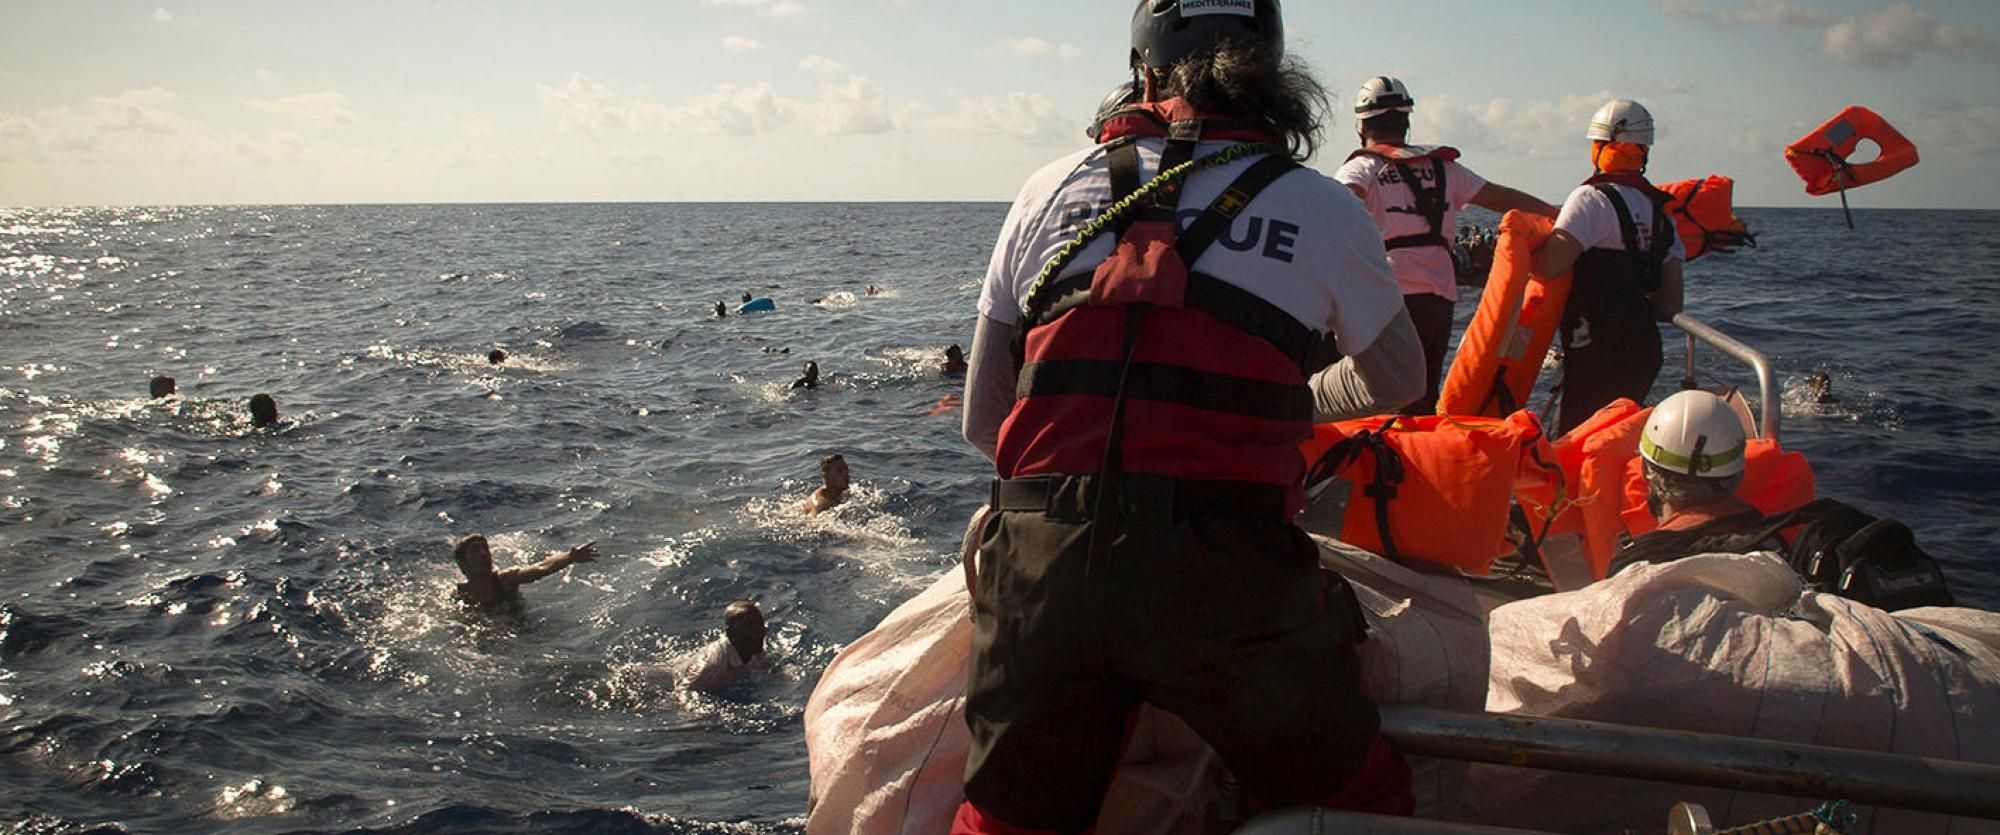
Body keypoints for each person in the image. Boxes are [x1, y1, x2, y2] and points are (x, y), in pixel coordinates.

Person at [954, 3, 1423, 830]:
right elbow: (1399, 378)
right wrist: (1290, 404)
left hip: (1045, 570)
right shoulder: (1322, 206)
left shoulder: (1045, 189)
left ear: (1143, 72)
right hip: (1228, 574)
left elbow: (983, 421)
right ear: (1272, 75)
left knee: (1006, 820)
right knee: (1358, 797)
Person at [1334, 77, 1556, 415]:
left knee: (1380, 393)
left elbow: (1339, 203)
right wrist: (1559, 213)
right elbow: (1500, 196)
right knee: (1422, 394)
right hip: (1440, 297)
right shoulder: (1444, 169)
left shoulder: (1362, 167)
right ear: (1405, 122)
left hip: (1388, 297)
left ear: (1361, 126)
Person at [1533, 98, 1686, 435]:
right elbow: (1672, 302)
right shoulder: (1661, 213)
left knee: (1576, 446)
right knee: (1615, 443)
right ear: (1644, 150)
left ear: (1602, 146)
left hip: (1595, 352)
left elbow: (1549, 265)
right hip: (1644, 351)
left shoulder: (1590, 199)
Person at [449, 534, 599, 612]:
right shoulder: (460, 594)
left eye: (485, 549)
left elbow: (542, 567)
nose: (483, 554)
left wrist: (570, 557)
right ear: (462, 562)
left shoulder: (505, 580)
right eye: (475, 550)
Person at [684, 601, 770, 693]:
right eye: (749, 630)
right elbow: (683, 692)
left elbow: (770, 668)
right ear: (731, 634)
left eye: (760, 629)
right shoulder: (713, 667)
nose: (759, 635)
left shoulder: (753, 647)